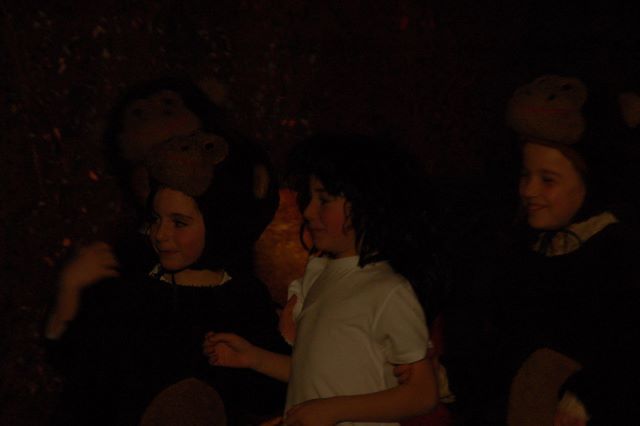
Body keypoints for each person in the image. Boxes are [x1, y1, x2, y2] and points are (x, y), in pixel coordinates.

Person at [44, 130, 289, 425]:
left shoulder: (243, 298)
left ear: (220, 225)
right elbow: (77, 365)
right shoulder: (131, 287)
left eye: (179, 223)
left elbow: (266, 395)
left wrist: (266, 353)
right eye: (156, 219)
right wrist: (69, 290)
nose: (161, 234)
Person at [204, 134, 444, 425]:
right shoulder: (319, 276)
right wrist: (254, 358)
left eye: (324, 200)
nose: (307, 211)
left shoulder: (389, 290)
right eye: (310, 198)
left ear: (369, 204)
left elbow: (422, 395)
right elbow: (316, 374)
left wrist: (330, 411)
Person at [471, 74, 640, 425]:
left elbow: (624, 352)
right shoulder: (522, 250)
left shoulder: (619, 257)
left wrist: (587, 397)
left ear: (590, 185)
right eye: (525, 175)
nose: (529, 191)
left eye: (548, 180)